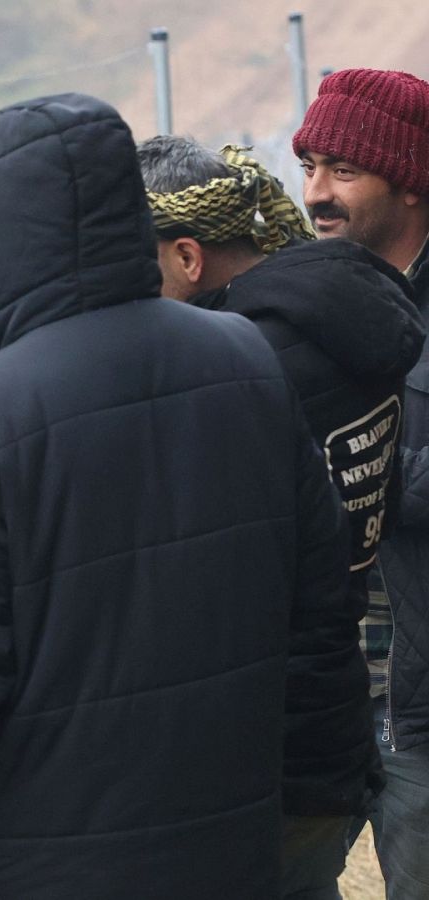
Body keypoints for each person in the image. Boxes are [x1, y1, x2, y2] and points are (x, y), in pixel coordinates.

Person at [0, 93, 354, 900]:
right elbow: (319, 600)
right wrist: (319, 786)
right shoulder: (245, 360)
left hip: (28, 856)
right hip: (224, 836)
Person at [142, 133, 423, 900]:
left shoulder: (238, 367)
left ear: (190, 258)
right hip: (331, 710)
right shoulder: (337, 323)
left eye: (138, 266)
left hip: (265, 730)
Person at [295, 66, 429, 900]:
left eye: (343, 170)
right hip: (338, 695)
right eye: (308, 166)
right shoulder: (315, 304)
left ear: (410, 183)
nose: (316, 193)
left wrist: (355, 473)